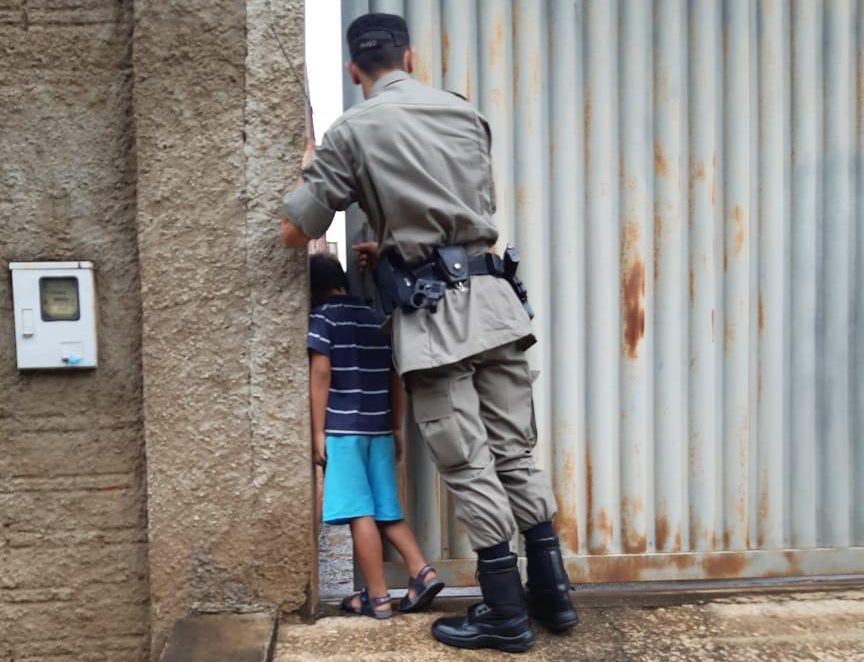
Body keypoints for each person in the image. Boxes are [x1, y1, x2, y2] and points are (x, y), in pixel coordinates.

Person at [281, 13, 577, 652]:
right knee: (516, 453)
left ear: (355, 71)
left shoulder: (353, 128)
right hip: (495, 302)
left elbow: (293, 228)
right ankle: (553, 597)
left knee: (468, 462)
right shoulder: (464, 114)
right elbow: (465, 215)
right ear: (409, 56)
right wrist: (393, 245)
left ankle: (504, 614)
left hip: (434, 319)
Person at [306, 252, 444, 619]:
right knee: (386, 510)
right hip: (379, 429)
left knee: (358, 512)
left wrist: (317, 431)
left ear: (311, 289)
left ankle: (378, 597)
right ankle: (421, 571)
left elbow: (320, 373)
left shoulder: (322, 317)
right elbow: (394, 377)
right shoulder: (375, 319)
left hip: (343, 431)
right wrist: (396, 426)